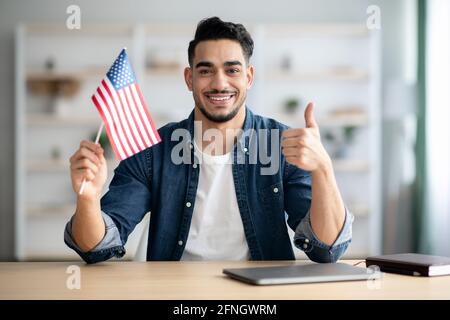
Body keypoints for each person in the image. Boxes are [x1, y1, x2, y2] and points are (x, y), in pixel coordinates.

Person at [65, 17, 353, 264]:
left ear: (248, 77)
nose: (219, 83)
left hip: (261, 297)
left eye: (232, 69)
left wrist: (323, 168)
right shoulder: (153, 150)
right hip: (177, 295)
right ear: (189, 79)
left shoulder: (282, 145)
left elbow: (326, 249)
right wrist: (88, 198)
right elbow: (94, 249)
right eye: (205, 71)